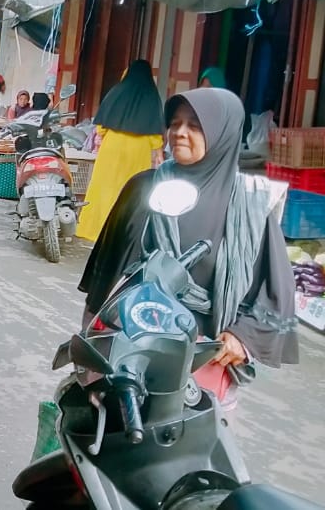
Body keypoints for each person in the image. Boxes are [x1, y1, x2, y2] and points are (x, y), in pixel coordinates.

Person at [78, 88, 298, 412]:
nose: (180, 132)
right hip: (129, 352)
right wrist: (90, 351)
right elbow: (106, 276)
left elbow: (276, 291)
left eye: (195, 125)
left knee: (193, 457)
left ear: (223, 134)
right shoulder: (144, 188)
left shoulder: (250, 206)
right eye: (175, 123)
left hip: (203, 363)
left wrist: (243, 337)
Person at [75, 59, 164, 241]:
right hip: (138, 150)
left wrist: (103, 136)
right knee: (131, 190)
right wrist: (159, 153)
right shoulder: (152, 96)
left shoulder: (117, 91)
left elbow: (102, 126)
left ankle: (95, 230)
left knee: (104, 187)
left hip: (112, 147)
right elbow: (155, 132)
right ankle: (123, 234)